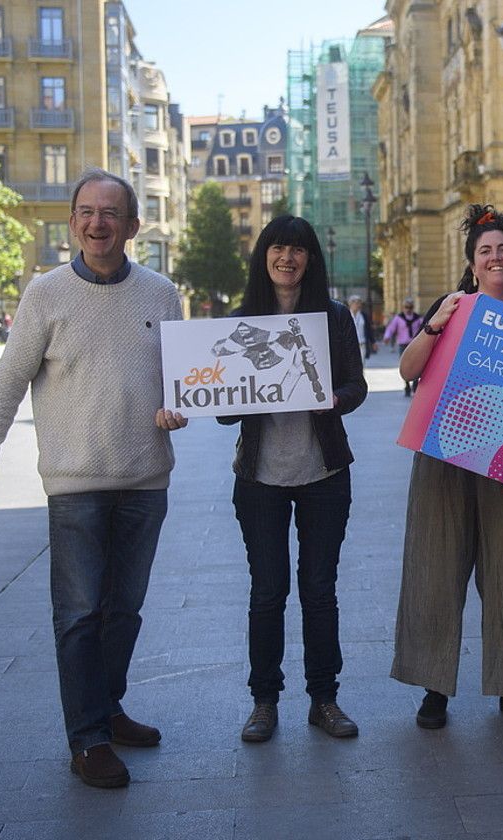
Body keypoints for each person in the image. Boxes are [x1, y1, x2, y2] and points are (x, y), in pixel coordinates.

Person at [0, 167, 186, 789]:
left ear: (133, 227)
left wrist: (178, 405)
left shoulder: (163, 294)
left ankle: (106, 711)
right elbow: (6, 385)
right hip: (75, 483)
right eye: (86, 211)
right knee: (80, 614)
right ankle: (86, 739)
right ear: (72, 224)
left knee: (126, 610)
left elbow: (183, 379)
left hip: (145, 478)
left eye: (110, 213)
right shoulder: (46, 294)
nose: (97, 223)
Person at [389, 204, 503, 729]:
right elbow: (408, 369)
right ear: (473, 264)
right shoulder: (451, 310)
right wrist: (434, 326)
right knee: (436, 568)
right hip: (444, 458)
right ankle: (435, 687)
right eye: (486, 251)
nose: (496, 257)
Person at [215, 216, 367, 743]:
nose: (288, 257)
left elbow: (356, 385)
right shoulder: (239, 322)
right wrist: (223, 393)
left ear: (310, 260)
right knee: (267, 591)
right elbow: (223, 412)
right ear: (264, 256)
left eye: (299, 250)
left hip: (323, 472)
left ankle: (324, 699)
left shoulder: (332, 318)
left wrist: (335, 399)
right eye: (278, 247)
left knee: (320, 590)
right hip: (259, 477)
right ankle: (264, 701)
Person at [381, 298, 424, 395]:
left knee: (417, 365)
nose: (408, 309)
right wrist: (387, 337)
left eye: (410, 307)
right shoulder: (398, 318)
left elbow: (423, 329)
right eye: (406, 307)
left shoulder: (418, 318)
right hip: (403, 345)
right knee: (405, 366)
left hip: (415, 344)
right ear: (403, 308)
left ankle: (415, 384)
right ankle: (407, 384)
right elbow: (391, 328)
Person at [347, 294, 371, 359]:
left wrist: (373, 342)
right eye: (356, 303)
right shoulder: (346, 315)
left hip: (362, 344)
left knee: (361, 364)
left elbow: (369, 329)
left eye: (359, 303)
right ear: (350, 304)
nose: (358, 305)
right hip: (350, 345)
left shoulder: (364, 316)